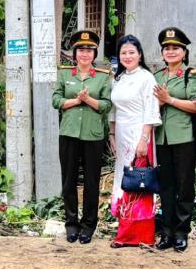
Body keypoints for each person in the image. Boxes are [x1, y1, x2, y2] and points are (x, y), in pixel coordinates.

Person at [52, 30, 112, 244]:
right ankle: (71, 223)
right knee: (68, 179)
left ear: (94, 54)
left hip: (93, 135)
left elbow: (106, 105)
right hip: (68, 132)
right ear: (74, 53)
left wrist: (89, 101)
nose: (85, 54)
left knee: (91, 181)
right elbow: (56, 100)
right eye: (81, 50)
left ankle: (88, 225)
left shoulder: (103, 77)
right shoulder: (65, 74)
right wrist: (76, 101)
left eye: (89, 50)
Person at [151, 27, 196, 252]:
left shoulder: (191, 75)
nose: (170, 51)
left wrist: (169, 99)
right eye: (167, 48)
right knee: (166, 187)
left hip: (184, 138)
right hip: (161, 138)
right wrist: (159, 103)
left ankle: (182, 232)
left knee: (184, 186)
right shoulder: (157, 76)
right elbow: (148, 105)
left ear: (184, 52)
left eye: (175, 48)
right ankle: (166, 231)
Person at [108, 35, 161, 248]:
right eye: (123, 53)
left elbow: (151, 110)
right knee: (124, 179)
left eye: (132, 52)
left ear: (140, 55)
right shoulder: (118, 78)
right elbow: (112, 110)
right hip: (121, 135)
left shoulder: (147, 78)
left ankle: (138, 235)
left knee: (138, 182)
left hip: (139, 135)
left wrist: (143, 140)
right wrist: (111, 135)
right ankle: (125, 229)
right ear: (119, 56)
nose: (127, 56)